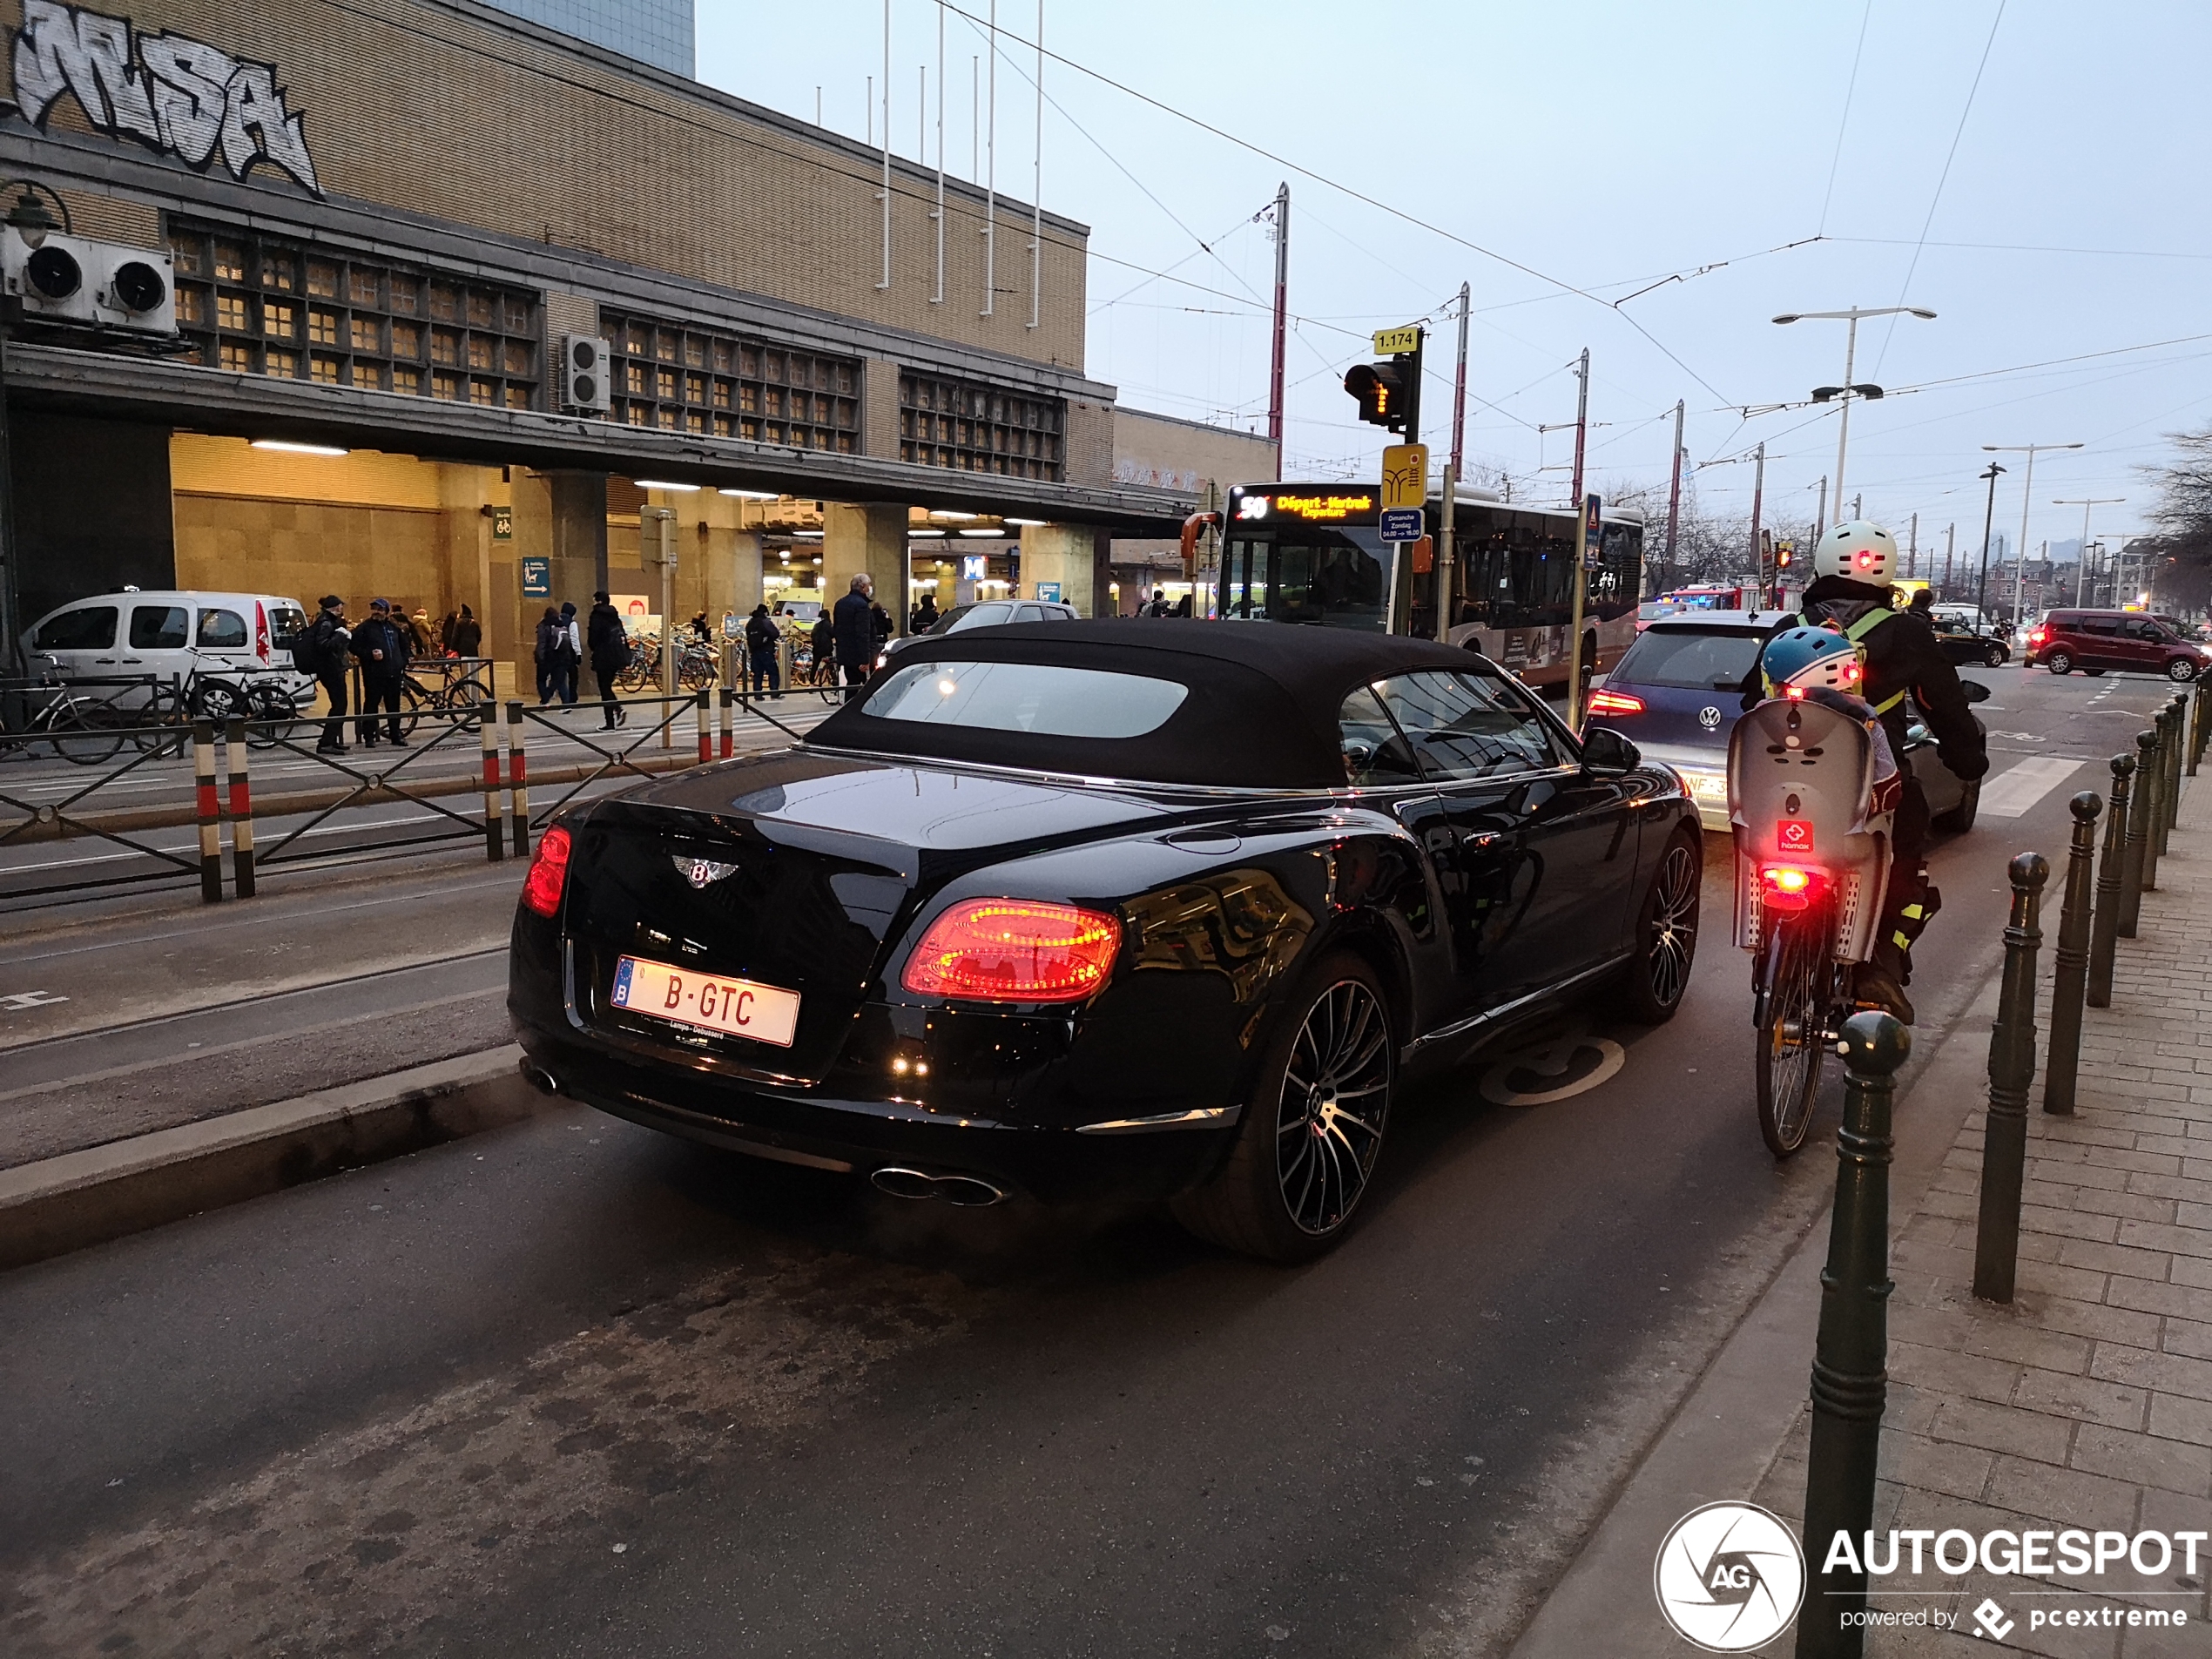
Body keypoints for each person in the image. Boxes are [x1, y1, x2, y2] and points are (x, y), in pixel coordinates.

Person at [1743, 520, 1988, 1022]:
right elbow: (1944, 706)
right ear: (1886, 574)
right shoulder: (1907, 634)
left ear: (1821, 564)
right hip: (1870, 790)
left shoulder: (1789, 631)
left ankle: (1771, 939)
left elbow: (1750, 701)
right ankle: (1879, 962)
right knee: (1905, 863)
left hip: (1785, 785)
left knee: (1767, 846)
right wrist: (1967, 761)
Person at [351, 597, 411, 747]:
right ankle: (369, 736)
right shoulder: (365, 627)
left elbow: (405, 646)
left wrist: (402, 661)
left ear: (386, 611)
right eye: (374, 609)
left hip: (394, 672)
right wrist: (369, 654)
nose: (376, 612)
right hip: (374, 673)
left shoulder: (393, 627)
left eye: (380, 609)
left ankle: (396, 735)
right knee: (371, 704)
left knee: (394, 706)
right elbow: (352, 645)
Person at [308, 594, 353, 754]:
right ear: (335, 607)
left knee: (339, 705)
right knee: (339, 705)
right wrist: (340, 635)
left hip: (332, 668)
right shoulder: (326, 623)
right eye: (341, 605)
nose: (342, 608)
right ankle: (326, 742)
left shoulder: (327, 621)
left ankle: (331, 740)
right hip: (330, 669)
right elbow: (323, 645)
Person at [587, 590, 629, 728]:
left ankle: (612, 718)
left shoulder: (596, 615)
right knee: (607, 686)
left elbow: (593, 639)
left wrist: (595, 649)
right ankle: (614, 714)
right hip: (617, 656)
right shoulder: (614, 616)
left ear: (598, 601)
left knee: (604, 688)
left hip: (603, 656)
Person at [833, 572, 877, 701]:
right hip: (858, 655)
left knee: (851, 684)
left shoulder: (840, 603)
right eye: (868, 585)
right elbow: (862, 633)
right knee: (862, 687)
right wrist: (865, 659)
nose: (870, 588)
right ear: (863, 587)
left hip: (845, 653)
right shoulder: (861, 606)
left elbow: (838, 629)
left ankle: (848, 711)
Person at [744, 602, 782, 698]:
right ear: (765, 612)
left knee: (758, 673)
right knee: (773, 672)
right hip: (766, 650)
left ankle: (757, 694)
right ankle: (774, 692)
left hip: (754, 651)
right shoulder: (765, 621)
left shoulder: (750, 622)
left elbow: (748, 635)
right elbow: (775, 633)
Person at [553, 601, 583, 705]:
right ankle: (572, 697)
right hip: (570, 653)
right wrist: (578, 653)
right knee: (573, 677)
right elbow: (574, 638)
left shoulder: (556, 621)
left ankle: (557, 697)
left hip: (558, 653)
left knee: (560, 678)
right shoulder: (572, 623)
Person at [533, 605, 563, 705]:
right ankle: (548, 695)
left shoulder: (543, 625)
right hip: (558, 656)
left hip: (546, 656)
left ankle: (545, 699)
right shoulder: (561, 624)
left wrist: (539, 657)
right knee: (555, 680)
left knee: (541, 680)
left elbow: (542, 642)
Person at [810, 611, 835, 686]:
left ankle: (811, 681)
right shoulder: (828, 624)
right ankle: (833, 678)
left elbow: (812, 635)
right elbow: (833, 634)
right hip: (826, 648)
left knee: (815, 665)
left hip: (817, 648)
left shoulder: (817, 625)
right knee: (830, 662)